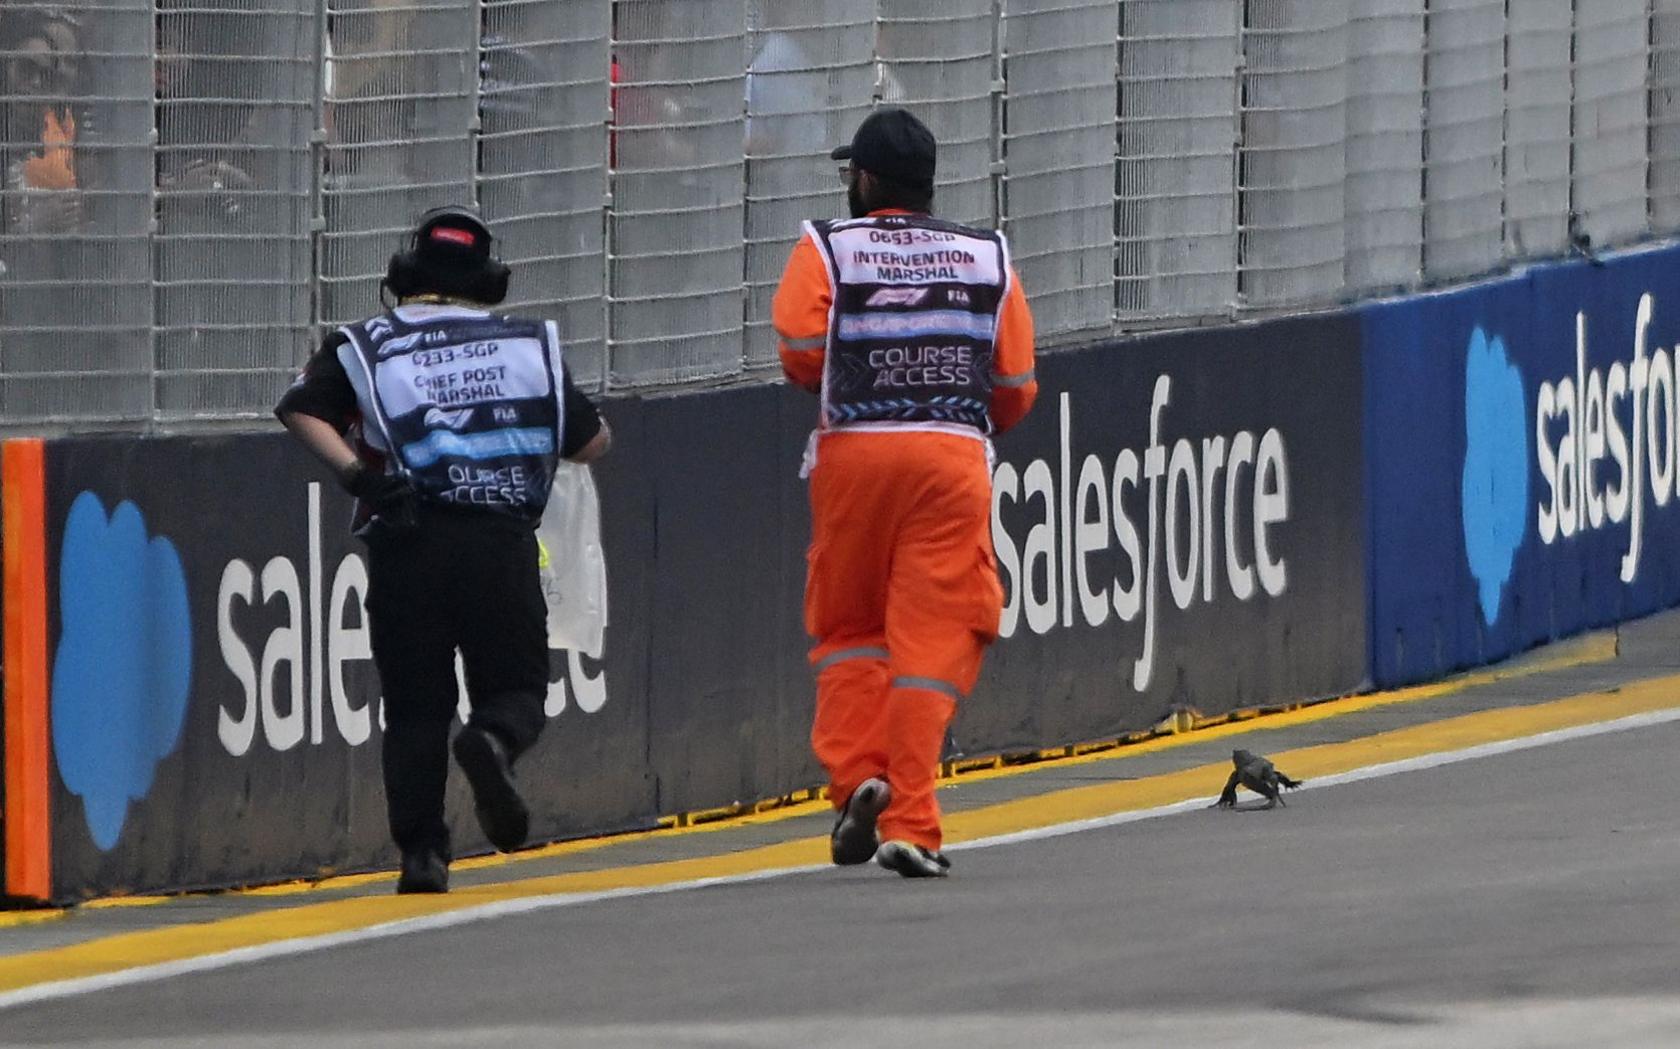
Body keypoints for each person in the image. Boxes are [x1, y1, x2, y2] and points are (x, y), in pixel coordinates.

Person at [275, 205, 610, 894]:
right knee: (516, 689)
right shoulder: (525, 345)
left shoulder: (365, 342)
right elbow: (591, 440)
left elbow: (301, 407)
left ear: (406, 273)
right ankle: (490, 739)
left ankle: (422, 854)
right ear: (489, 278)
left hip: (406, 540)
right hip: (498, 540)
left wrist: (358, 474)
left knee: (415, 708)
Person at [770, 107, 1038, 879]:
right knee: (934, 639)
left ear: (862, 179)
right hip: (951, 457)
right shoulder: (985, 255)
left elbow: (795, 348)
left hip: (852, 455)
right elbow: (1017, 387)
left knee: (849, 627)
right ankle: (912, 820)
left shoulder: (827, 246)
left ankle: (860, 781)